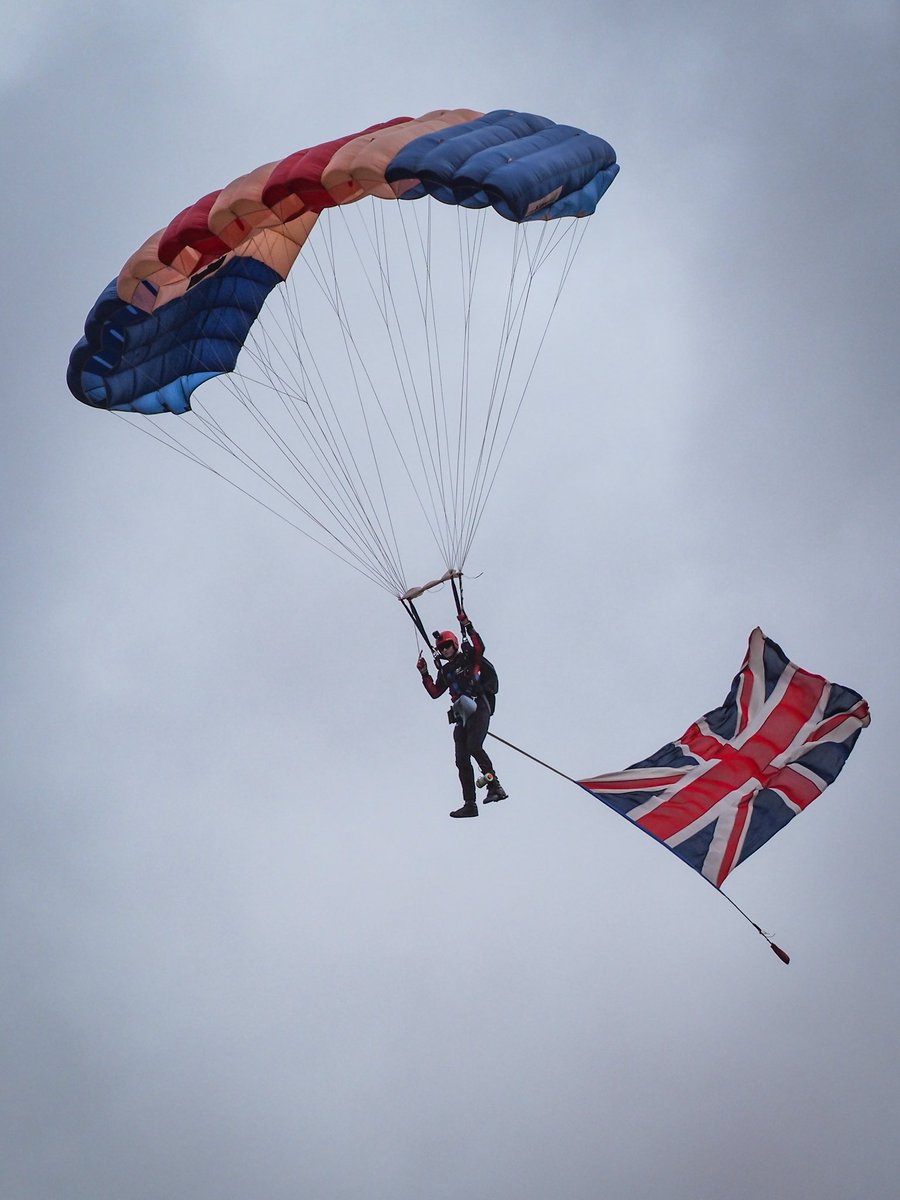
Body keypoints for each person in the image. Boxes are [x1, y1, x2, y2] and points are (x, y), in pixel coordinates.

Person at [417, 611, 507, 818]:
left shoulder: (469, 658)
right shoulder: (445, 672)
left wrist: (467, 624)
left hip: (479, 708)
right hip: (462, 716)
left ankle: (495, 787)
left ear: (454, 644)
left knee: (475, 746)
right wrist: (424, 674)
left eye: (447, 645)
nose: (445, 650)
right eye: (441, 648)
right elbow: (435, 693)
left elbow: (479, 648)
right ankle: (470, 804)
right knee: (461, 759)